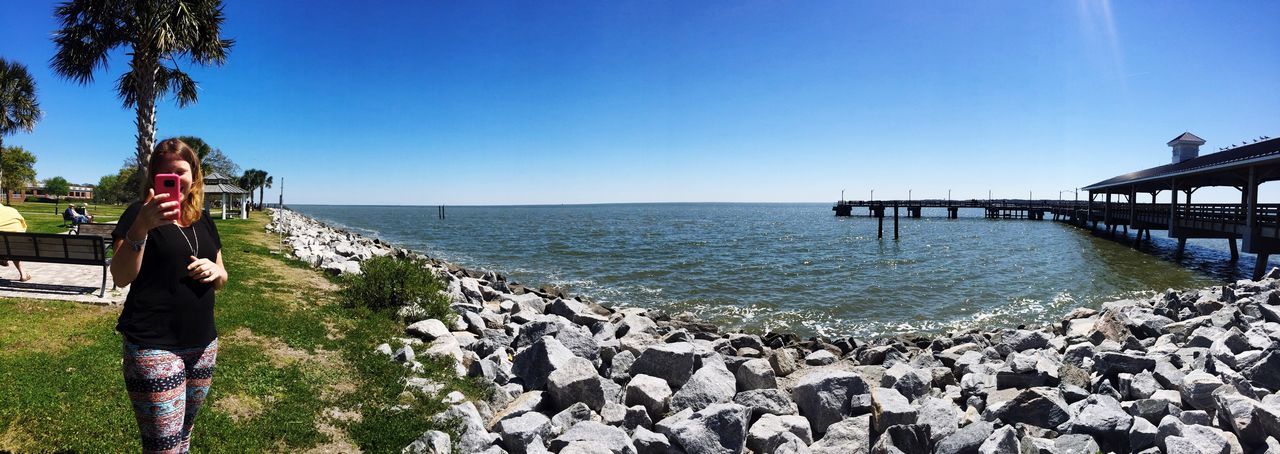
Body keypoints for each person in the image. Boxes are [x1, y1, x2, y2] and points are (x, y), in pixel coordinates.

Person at [112, 138, 227, 453]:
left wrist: (216, 273)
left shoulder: (203, 219)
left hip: (203, 343)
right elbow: (121, 276)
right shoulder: (138, 214)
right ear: (153, 178)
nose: (175, 180)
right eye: (166, 174)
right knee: (162, 445)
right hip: (153, 346)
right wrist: (142, 228)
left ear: (194, 176)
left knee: (184, 435)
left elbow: (223, 275)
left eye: (181, 172)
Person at [0, 204, 31, 281]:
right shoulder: (13, 210)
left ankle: (3, 259)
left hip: (2, 247)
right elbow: (24, 227)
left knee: (4, 245)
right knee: (12, 246)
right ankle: (23, 274)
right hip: (15, 246)